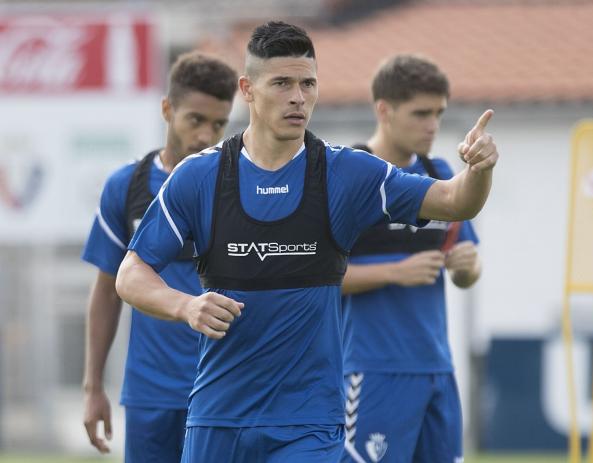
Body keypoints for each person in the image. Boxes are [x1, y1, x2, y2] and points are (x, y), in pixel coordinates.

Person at [115, 21, 498, 463]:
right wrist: (184, 305)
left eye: (308, 83)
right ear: (248, 90)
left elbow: (454, 201)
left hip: (309, 426)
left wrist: (479, 170)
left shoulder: (347, 174)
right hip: (217, 418)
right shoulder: (199, 177)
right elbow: (131, 273)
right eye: (282, 83)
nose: (298, 96)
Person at [81, 51, 237, 462]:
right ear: (168, 109)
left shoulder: (237, 188)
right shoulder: (127, 186)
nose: (206, 135)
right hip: (151, 392)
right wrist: (93, 387)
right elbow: (107, 292)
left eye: (219, 124)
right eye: (195, 120)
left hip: (223, 392)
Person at [341, 54, 480, 463]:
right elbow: (314, 274)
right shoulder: (346, 175)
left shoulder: (440, 175)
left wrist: (470, 267)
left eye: (438, 113)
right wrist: (394, 272)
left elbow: (466, 271)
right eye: (420, 113)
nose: (432, 125)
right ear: (383, 110)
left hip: (437, 366)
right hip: (371, 367)